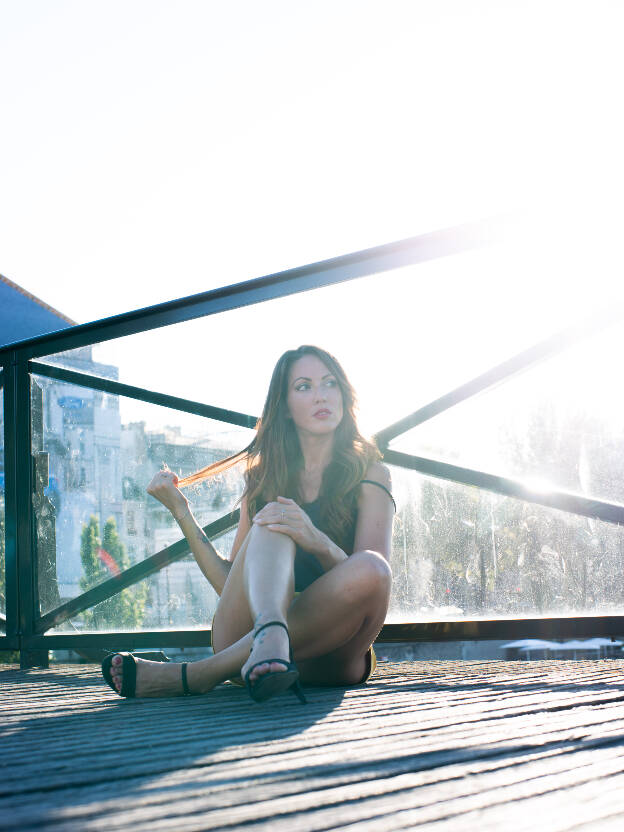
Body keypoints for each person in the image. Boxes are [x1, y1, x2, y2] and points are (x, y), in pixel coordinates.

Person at [102, 345, 395, 702]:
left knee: (372, 566)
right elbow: (230, 584)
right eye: (304, 386)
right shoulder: (264, 480)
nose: (320, 395)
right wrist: (182, 512)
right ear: (285, 407)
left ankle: (200, 674)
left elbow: (375, 581)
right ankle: (269, 635)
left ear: (344, 395)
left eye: (329, 383)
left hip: (332, 650)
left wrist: (315, 539)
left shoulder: (371, 475)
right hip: (246, 638)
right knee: (271, 521)